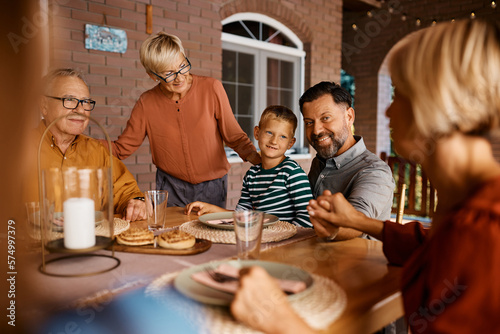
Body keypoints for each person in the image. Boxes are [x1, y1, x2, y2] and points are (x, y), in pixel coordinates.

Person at [231, 19, 500, 333]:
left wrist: (281, 322)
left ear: (436, 103)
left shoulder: (482, 231)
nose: (387, 112)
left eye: (399, 94)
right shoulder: (463, 204)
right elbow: (427, 244)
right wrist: (357, 221)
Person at [101, 32, 261, 208]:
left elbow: (234, 137)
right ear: (153, 75)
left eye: (182, 66)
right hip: (170, 186)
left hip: (212, 186)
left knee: (210, 235)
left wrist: (264, 162)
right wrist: (81, 143)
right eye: (169, 73)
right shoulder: (146, 103)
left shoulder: (211, 88)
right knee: (171, 235)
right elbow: (122, 148)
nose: (179, 77)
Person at [28, 68, 146, 221]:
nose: (80, 109)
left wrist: (137, 203)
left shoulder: (97, 151)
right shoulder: (17, 149)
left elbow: (127, 192)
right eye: (69, 100)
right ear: (44, 105)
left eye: (85, 102)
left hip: (90, 241)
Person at [184, 105, 313, 228]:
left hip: (286, 242)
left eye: (283, 137)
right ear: (257, 133)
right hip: (261, 238)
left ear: (291, 143)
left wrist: (283, 235)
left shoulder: (292, 172)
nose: (274, 141)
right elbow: (242, 215)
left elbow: (308, 216)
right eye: (269, 133)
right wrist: (212, 210)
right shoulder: (252, 175)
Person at [299, 81, 395, 240]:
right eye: (309, 122)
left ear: (349, 116)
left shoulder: (375, 172)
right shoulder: (321, 161)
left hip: (356, 263)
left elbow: (356, 222)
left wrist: (332, 229)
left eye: (326, 118)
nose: (316, 130)